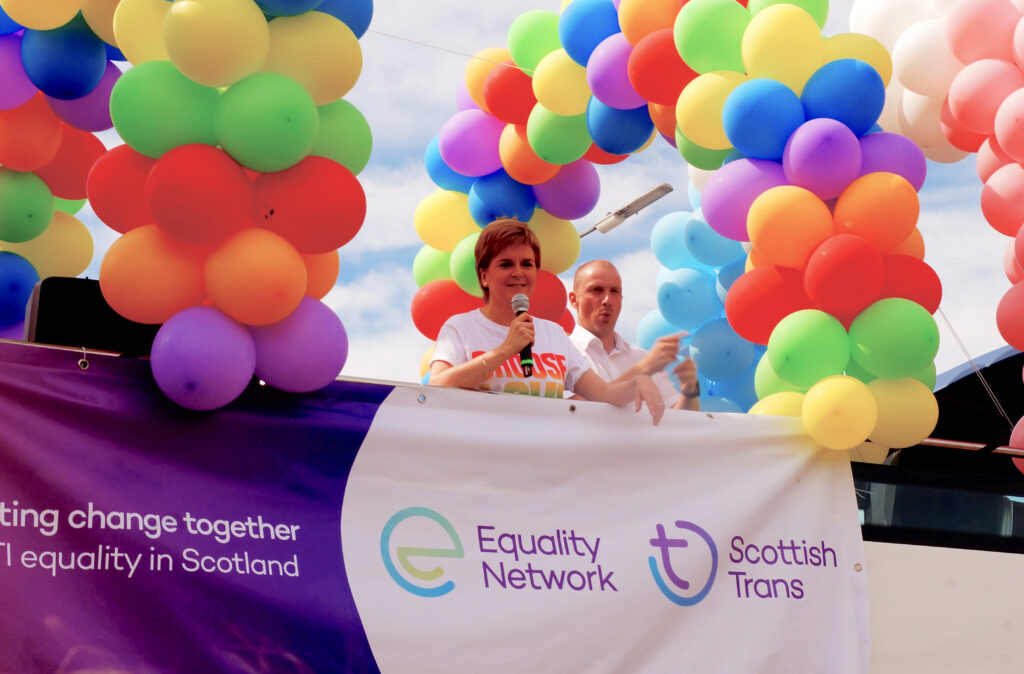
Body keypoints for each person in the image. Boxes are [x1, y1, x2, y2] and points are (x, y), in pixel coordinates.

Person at [429, 219, 667, 425]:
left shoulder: (553, 334)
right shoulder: (460, 328)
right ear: (484, 276)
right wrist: (506, 350)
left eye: (527, 264)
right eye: (505, 264)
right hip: (486, 468)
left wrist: (636, 383)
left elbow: (603, 393)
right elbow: (438, 386)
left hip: (547, 470)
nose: (518, 272)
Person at [568, 259, 701, 412]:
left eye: (614, 291)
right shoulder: (562, 354)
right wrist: (646, 368)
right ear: (573, 300)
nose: (607, 300)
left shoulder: (644, 358)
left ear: (621, 300)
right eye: (596, 290)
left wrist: (690, 392)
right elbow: (589, 411)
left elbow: (681, 423)